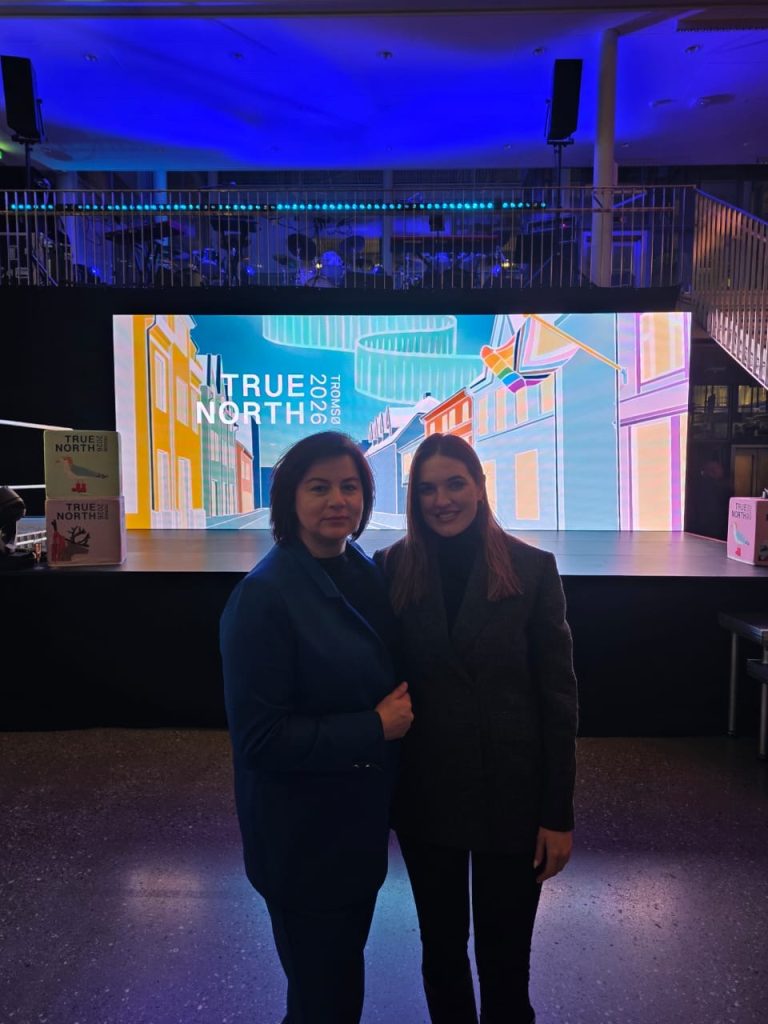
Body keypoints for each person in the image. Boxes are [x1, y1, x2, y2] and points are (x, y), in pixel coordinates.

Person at [375, 433, 578, 1024]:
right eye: (427, 489)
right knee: (441, 952)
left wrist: (557, 815)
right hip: (427, 796)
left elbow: (558, 701)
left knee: (506, 959)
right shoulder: (390, 568)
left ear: (481, 486)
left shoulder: (532, 569)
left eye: (454, 484)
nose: (442, 500)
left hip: (513, 797)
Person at [220, 431, 413, 1024]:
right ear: (289, 498)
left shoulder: (363, 570)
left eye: (350, 487)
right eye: (319, 487)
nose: (338, 500)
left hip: (354, 835)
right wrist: (373, 727)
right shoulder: (264, 596)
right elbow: (260, 740)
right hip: (301, 845)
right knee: (323, 999)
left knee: (336, 985)